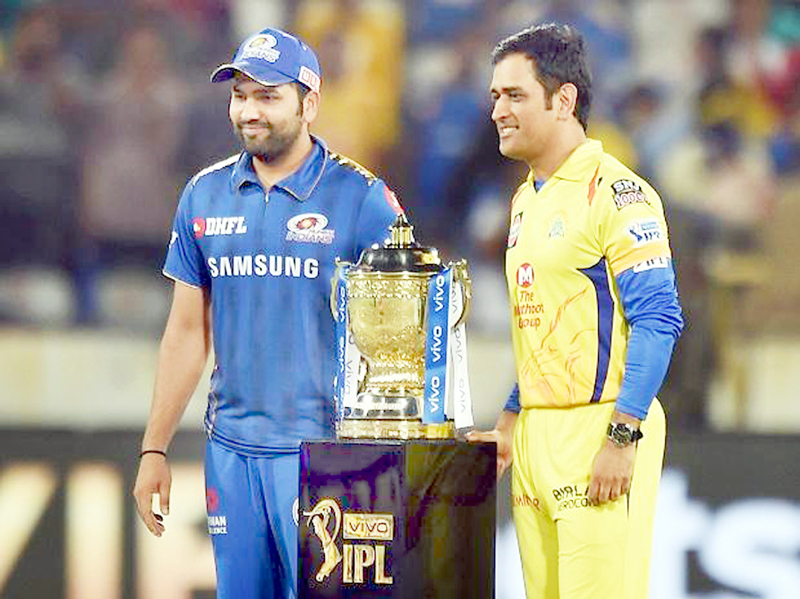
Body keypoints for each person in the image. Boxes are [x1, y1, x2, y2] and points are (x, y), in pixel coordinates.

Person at [131, 27, 403, 599]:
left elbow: (400, 344)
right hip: (231, 454)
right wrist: (154, 447)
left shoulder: (362, 198)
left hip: (327, 458)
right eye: (240, 96)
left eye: (268, 96)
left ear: (310, 103)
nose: (249, 111)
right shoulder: (202, 195)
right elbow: (186, 333)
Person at [466, 23, 684, 598]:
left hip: (600, 427)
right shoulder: (525, 197)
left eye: (515, 95)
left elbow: (659, 319)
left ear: (563, 100)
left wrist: (623, 433)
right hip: (536, 434)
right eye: (495, 96)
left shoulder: (619, 193)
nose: (498, 111)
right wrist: (510, 421)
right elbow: (547, 325)